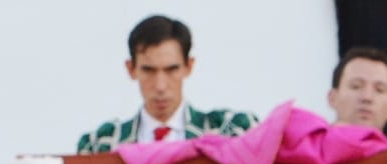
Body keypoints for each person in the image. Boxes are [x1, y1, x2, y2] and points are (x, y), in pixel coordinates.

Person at [75, 15, 258, 153]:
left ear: (189, 66)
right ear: (131, 69)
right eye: (148, 70)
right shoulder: (100, 144)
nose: (160, 86)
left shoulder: (231, 130)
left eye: (171, 70)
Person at [327, 47, 387, 132]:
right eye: (356, 86)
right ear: (332, 98)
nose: (367, 97)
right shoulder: (309, 143)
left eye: (379, 90)